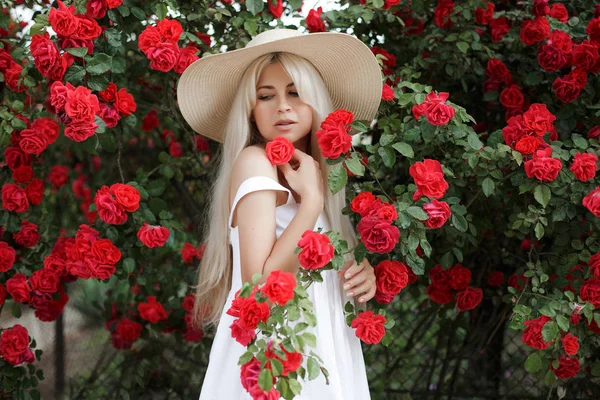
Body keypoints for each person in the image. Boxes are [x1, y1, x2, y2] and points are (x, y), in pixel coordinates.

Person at [177, 28, 383, 400]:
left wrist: (358, 274)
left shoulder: (320, 176)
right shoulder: (255, 162)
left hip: (325, 348)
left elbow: (319, 273)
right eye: (266, 96)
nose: (282, 106)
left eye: (295, 92)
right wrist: (311, 204)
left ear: (314, 101)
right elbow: (260, 288)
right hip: (276, 353)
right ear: (251, 111)